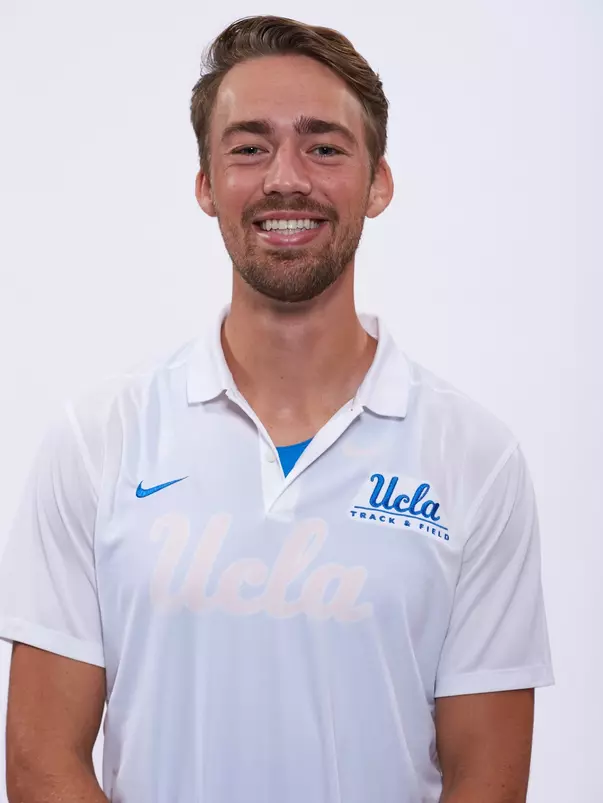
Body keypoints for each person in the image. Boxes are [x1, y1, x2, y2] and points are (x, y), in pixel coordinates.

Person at [0, 14, 554, 803]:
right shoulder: (97, 440)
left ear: (378, 182)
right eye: (249, 147)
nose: (285, 177)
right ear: (205, 184)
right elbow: (40, 763)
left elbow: (488, 780)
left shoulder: (474, 456)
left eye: (324, 147)